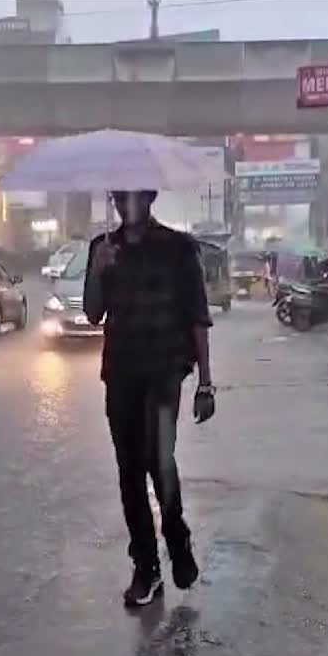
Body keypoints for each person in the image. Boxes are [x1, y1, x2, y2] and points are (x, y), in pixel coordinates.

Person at [83, 189, 216, 608]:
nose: (128, 203)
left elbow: (197, 314)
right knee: (129, 471)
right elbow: (92, 313)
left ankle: (177, 540)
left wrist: (206, 383)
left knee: (160, 461)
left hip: (164, 371)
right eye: (120, 197)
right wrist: (98, 273)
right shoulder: (103, 249)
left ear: (150, 197)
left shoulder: (178, 248)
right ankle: (145, 566)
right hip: (121, 372)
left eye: (136, 195)